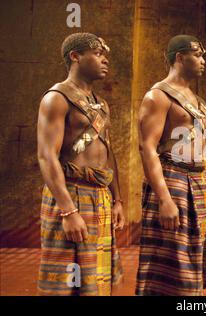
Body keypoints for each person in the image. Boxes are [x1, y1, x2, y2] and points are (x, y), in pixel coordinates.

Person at [37, 33, 124, 296]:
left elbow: (109, 153)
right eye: (97, 54)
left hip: (101, 198)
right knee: (66, 283)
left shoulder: (101, 104)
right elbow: (46, 156)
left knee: (95, 280)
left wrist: (117, 199)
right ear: (75, 56)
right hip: (70, 195)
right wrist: (68, 212)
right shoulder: (56, 98)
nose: (105, 60)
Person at [136, 34, 206, 296]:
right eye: (198, 55)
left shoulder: (197, 100)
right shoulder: (158, 96)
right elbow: (147, 147)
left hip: (199, 183)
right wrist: (164, 199)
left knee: (192, 260)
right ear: (180, 58)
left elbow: (204, 148)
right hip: (172, 180)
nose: (203, 60)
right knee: (170, 261)